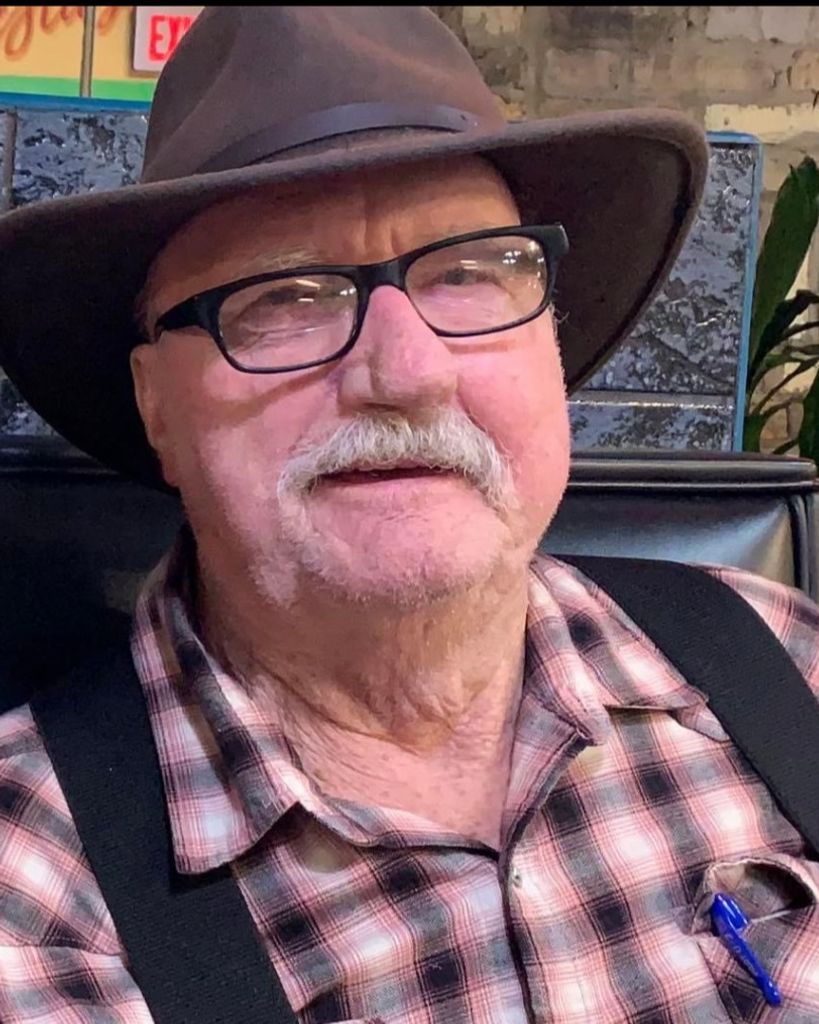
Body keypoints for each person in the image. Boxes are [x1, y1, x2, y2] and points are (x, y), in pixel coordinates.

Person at [0, 6, 817, 1023]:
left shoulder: (788, 661)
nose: (408, 373)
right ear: (158, 404)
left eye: (471, 273)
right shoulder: (33, 889)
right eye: (285, 296)